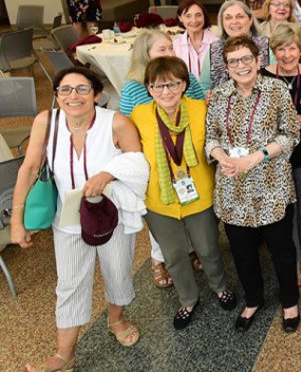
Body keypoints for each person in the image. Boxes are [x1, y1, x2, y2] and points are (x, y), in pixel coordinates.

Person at [11, 67, 147, 371]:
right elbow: (30, 168)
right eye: (65, 89)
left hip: (111, 212)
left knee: (118, 271)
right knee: (70, 282)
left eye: (82, 89)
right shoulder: (47, 121)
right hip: (68, 216)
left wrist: (108, 173)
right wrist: (16, 220)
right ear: (56, 94)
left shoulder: (117, 123)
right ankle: (64, 354)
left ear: (96, 94)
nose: (74, 96)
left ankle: (117, 319)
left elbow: (138, 163)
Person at [132, 57, 238, 330]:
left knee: (207, 248)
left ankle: (219, 287)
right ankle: (188, 299)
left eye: (172, 84)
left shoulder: (201, 108)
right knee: (175, 254)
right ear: (148, 89)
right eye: (157, 86)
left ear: (183, 85)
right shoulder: (139, 116)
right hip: (159, 200)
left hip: (199, 194)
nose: (165, 92)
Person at [205, 36, 301, 333]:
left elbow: (290, 134)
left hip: (272, 186)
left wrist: (255, 158)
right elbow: (210, 137)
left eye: (247, 58)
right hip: (233, 189)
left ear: (259, 61)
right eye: (233, 61)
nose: (241, 65)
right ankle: (253, 299)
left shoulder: (276, 90)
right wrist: (222, 157)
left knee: (282, 250)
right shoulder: (219, 95)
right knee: (242, 252)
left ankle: (290, 302)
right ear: (226, 66)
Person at [118, 29, 206, 288]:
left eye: (170, 47)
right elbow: (127, 128)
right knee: (162, 213)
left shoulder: (185, 75)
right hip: (155, 162)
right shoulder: (134, 87)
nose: (169, 53)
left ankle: (191, 249)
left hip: (188, 156)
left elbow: (200, 104)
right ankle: (159, 258)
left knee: (190, 207)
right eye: (162, 50)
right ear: (145, 55)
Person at [260, 24, 301, 287]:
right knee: (288, 210)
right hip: (276, 156)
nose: (287, 55)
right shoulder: (263, 77)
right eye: (281, 49)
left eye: (292, 48)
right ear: (274, 51)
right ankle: (295, 258)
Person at [209, 0, 270, 88]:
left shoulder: (266, 45)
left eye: (240, 16)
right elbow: (205, 86)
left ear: (250, 20)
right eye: (228, 18)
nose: (234, 22)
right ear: (222, 23)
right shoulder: (214, 49)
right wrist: (208, 94)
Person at [174, 0, 219, 90]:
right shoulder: (175, 47)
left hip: (212, 95)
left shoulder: (217, 44)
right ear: (180, 18)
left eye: (198, 15)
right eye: (188, 16)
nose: (194, 20)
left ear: (204, 17)